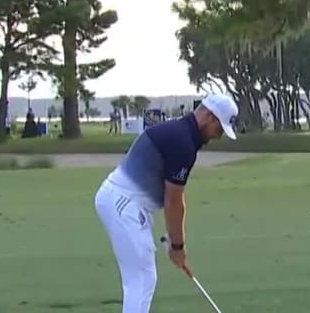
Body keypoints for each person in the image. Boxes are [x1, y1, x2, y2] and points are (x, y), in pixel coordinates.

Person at [93, 93, 239, 313]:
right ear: (209, 117)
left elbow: (172, 198)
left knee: (143, 278)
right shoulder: (183, 142)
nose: (217, 136)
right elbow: (173, 200)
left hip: (126, 203)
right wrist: (177, 246)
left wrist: (173, 239)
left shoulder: (181, 133)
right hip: (123, 203)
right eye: (219, 129)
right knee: (141, 279)